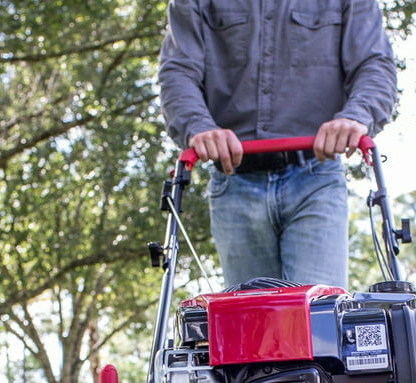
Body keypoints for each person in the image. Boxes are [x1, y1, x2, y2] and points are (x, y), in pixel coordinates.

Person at [158, 0, 397, 288]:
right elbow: (178, 71)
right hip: (234, 181)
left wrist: (355, 116)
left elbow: (374, 64)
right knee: (251, 324)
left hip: (315, 177)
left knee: (317, 316)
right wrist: (199, 127)